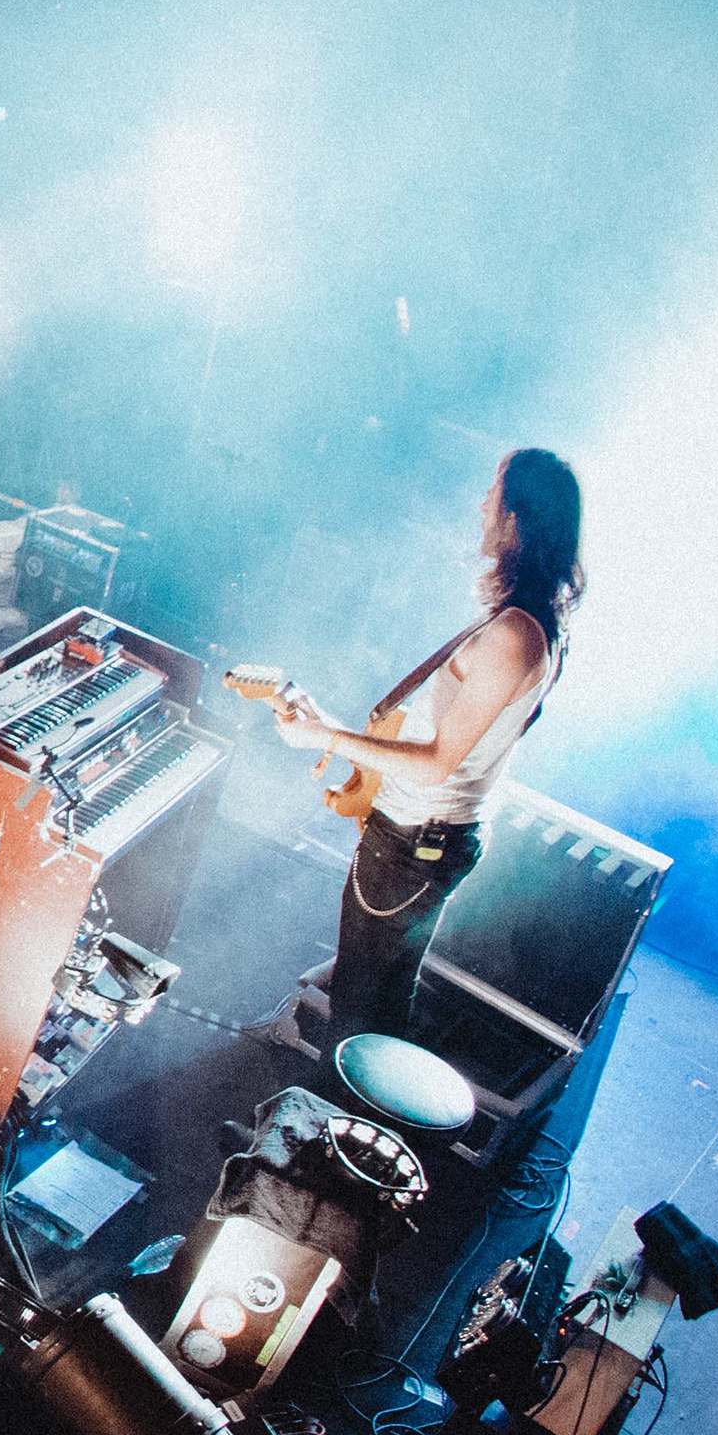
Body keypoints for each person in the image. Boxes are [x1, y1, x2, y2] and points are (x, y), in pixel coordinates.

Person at [263, 449, 581, 1048]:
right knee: (376, 997)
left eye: (492, 493)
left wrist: (324, 737)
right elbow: (443, 742)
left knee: (361, 1008)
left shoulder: (515, 635)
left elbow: (437, 764)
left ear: (516, 518)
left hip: (414, 844)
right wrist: (329, 724)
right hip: (420, 840)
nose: (481, 506)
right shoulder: (522, 623)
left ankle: (335, 1105)